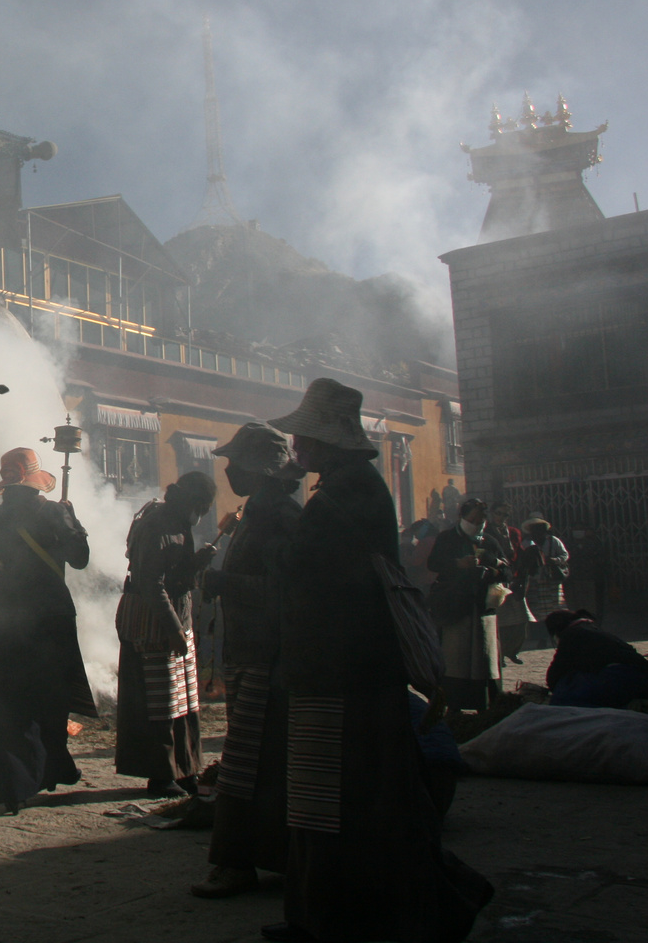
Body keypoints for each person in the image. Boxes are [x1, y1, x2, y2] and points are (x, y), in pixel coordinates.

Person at [262, 378, 492, 943]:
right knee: (334, 802)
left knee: (351, 805)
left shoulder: (346, 496)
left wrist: (276, 539)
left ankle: (351, 918)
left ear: (326, 443)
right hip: (337, 667)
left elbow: (312, 572)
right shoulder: (348, 488)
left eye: (304, 439)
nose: (296, 448)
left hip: (345, 670)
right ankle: (326, 916)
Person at [193, 423, 301, 899]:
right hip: (250, 652)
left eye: (236, 461)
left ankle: (240, 863)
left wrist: (226, 585)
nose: (229, 468)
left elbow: (288, 593)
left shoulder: (281, 518)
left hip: (268, 656)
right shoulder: (256, 513)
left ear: (260, 469)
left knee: (249, 764)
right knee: (258, 762)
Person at [0, 447, 95, 814]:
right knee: (50, 701)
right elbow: (81, 559)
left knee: (7, 707)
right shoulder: (54, 512)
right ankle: (49, 770)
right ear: (35, 484)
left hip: (3, 625)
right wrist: (73, 519)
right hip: (50, 625)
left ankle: (14, 785)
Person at [114, 470, 218, 798]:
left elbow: (177, 576)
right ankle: (160, 775)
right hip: (153, 626)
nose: (200, 514)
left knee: (183, 702)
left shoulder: (178, 524)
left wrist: (198, 563)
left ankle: (185, 770)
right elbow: (150, 584)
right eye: (200, 506)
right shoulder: (156, 525)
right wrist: (174, 629)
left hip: (176, 622)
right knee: (161, 706)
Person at [426, 499, 509, 711]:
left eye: (481, 518)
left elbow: (507, 569)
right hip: (455, 608)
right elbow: (433, 563)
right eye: (473, 519)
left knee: (484, 659)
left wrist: (493, 570)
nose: (478, 523)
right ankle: (453, 707)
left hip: (483, 609)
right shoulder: (447, 539)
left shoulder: (490, 541)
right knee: (455, 660)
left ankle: (485, 706)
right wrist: (457, 564)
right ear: (462, 518)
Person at [543, 609, 648, 708]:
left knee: (566, 691)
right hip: (640, 677)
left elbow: (555, 673)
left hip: (620, 678)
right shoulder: (589, 628)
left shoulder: (572, 634)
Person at [516, 515, 569, 650]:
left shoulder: (553, 541)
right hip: (534, 583)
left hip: (552, 582)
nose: (537, 534)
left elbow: (564, 555)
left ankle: (555, 636)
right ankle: (542, 638)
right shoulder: (527, 544)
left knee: (555, 610)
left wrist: (554, 560)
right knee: (537, 612)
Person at [490, 503, 527, 663]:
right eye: (498, 514)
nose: (501, 518)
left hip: (514, 577)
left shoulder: (513, 532)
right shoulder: (485, 532)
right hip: (497, 578)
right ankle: (501, 653)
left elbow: (519, 553)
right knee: (502, 620)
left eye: (505, 515)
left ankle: (513, 650)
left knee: (521, 618)